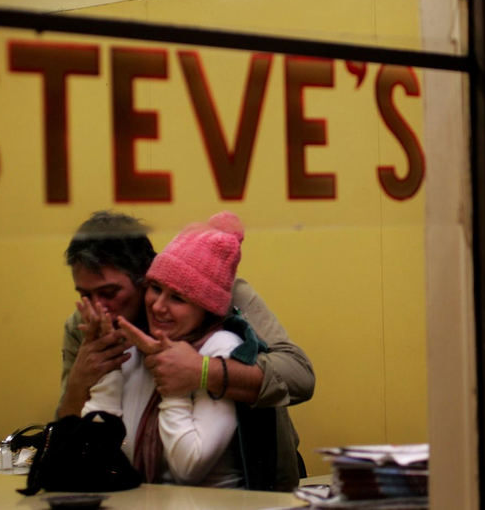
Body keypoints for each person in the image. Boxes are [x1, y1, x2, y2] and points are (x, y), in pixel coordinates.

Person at [57, 210, 314, 489]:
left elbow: (299, 375)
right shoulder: (85, 324)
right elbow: (68, 431)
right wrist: (77, 384)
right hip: (139, 493)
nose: (97, 308)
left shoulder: (219, 292)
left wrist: (204, 372)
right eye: (85, 295)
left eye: (109, 293)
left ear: (145, 278)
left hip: (253, 487)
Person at [80, 212, 247, 485]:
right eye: (155, 288)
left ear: (205, 309)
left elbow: (188, 467)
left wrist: (174, 388)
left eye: (178, 298)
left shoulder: (221, 348)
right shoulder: (138, 345)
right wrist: (106, 368)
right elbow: (98, 456)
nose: (157, 306)